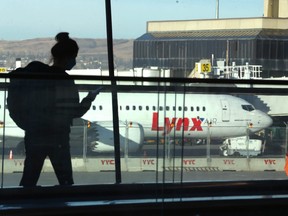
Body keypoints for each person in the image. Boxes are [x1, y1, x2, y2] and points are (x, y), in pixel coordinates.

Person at [18, 32, 98, 187]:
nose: (74, 61)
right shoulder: (65, 81)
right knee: (66, 181)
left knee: (29, 178)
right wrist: (90, 97)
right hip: (58, 136)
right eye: (74, 57)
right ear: (68, 57)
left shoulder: (39, 76)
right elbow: (75, 111)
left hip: (35, 134)